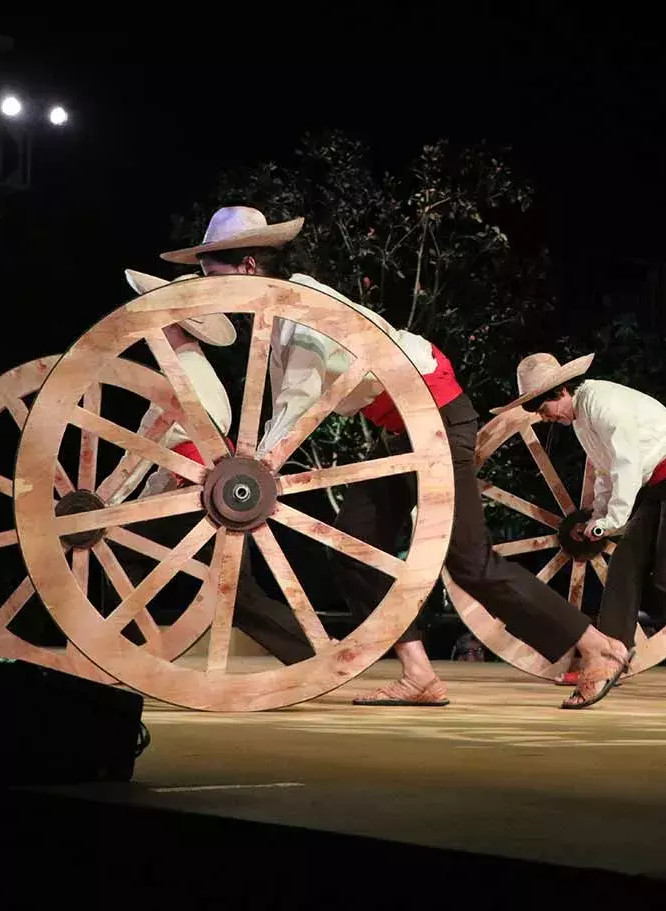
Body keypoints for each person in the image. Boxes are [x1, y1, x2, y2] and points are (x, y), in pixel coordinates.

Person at [159, 206, 629, 708]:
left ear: (249, 267)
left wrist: (261, 466)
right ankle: (419, 674)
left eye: (216, 275)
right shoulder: (282, 319)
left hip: (437, 418)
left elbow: (298, 403)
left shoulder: (302, 316)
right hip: (404, 427)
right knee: (352, 546)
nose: (211, 290)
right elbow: (287, 405)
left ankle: (598, 647)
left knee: (471, 563)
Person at [491, 352, 666, 704]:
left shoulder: (601, 402)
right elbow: (605, 473)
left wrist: (613, 520)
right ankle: (607, 658)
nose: (540, 418)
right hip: (665, 483)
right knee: (624, 563)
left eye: (539, 408)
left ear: (560, 392)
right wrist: (598, 518)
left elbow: (627, 463)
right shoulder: (581, 420)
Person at [105, 269, 319, 666]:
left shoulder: (181, 375)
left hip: (194, 495)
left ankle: (125, 656)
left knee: (117, 543)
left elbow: (147, 446)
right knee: (238, 592)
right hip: (207, 492)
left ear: (171, 326)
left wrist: (110, 504)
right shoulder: (200, 370)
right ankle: (313, 654)